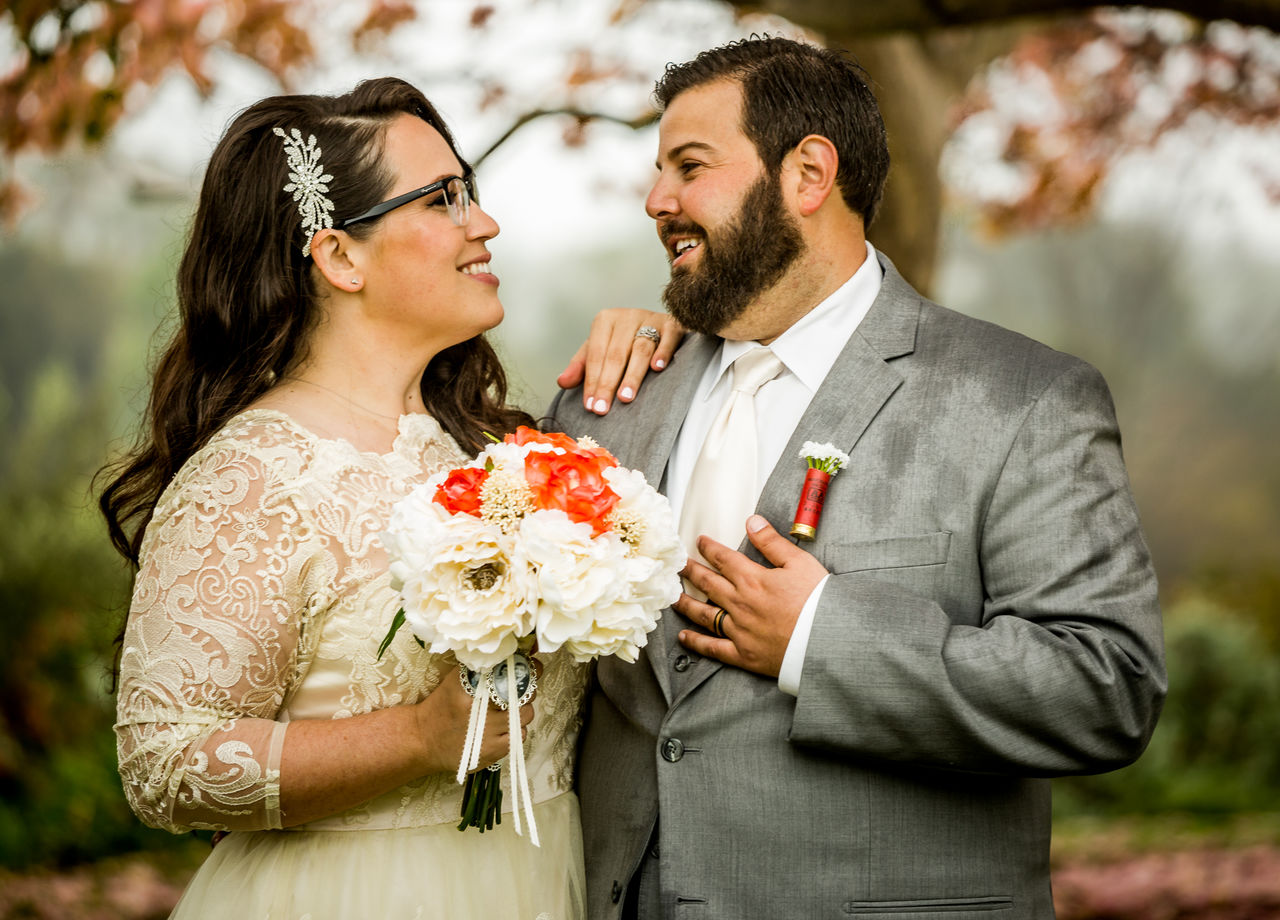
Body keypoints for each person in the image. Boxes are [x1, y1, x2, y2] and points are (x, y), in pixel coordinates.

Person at [549, 36, 1166, 920]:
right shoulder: (610, 400)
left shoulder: (1023, 403)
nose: (657, 201)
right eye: (658, 172)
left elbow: (1106, 686)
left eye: (689, 165)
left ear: (808, 173)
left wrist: (818, 639)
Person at [100, 77, 673, 919]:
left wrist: (675, 344)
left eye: (470, 191)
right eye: (444, 198)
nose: (484, 222)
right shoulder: (256, 474)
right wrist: (416, 739)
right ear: (339, 257)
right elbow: (166, 763)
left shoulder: (490, 453)